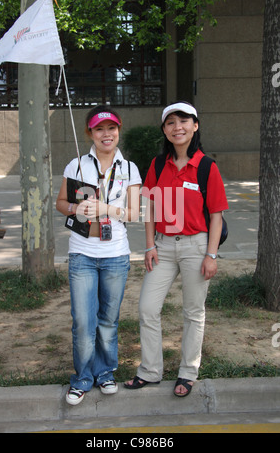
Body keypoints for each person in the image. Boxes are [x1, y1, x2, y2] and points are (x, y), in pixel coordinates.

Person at [124, 101, 228, 397]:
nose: (177, 127)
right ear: (164, 130)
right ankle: (150, 370)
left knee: (193, 312)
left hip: (197, 246)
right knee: (147, 308)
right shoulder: (158, 165)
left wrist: (211, 255)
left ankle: (187, 372)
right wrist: (148, 246)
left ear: (195, 126)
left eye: (184, 121)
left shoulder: (207, 166)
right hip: (163, 247)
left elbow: (217, 215)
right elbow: (150, 207)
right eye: (170, 122)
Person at [56, 105, 141, 406]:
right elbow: (61, 204)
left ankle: (105, 372)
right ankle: (82, 378)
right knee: (82, 320)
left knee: (108, 319)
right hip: (82, 255)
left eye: (111, 128)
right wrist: (75, 209)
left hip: (116, 255)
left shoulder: (130, 169)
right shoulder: (76, 166)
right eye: (99, 129)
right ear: (89, 133)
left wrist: (106, 209)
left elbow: (133, 213)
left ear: (119, 130)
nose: (107, 134)